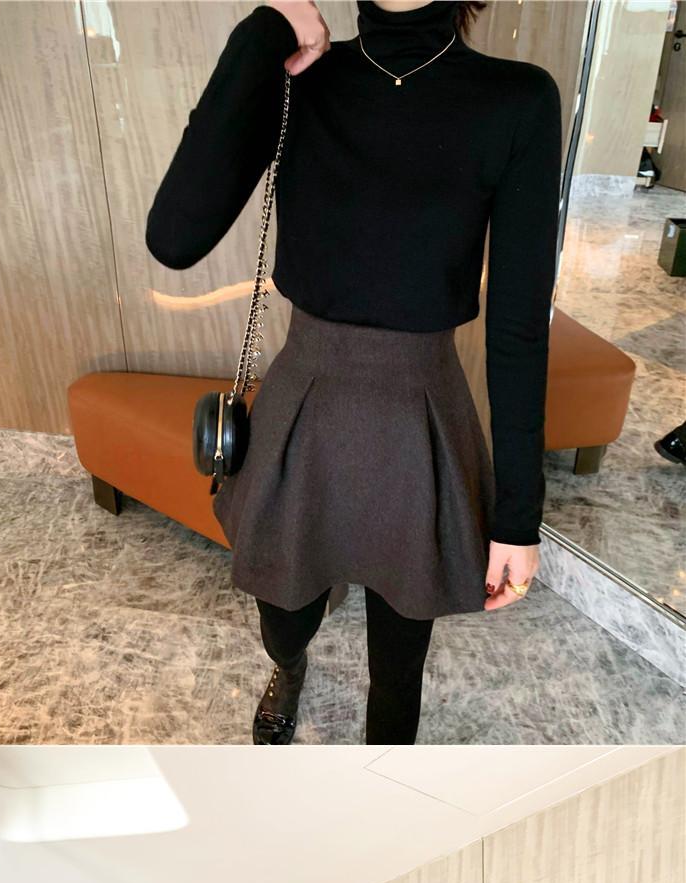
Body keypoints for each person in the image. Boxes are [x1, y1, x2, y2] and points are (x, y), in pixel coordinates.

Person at [146, 0, 562, 747]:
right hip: (304, 399)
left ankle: (384, 784)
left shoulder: (518, 99)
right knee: (284, 616)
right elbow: (174, 236)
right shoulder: (297, 76)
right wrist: (270, 24)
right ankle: (289, 666)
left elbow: (520, 327)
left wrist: (517, 517)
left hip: (420, 412)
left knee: (399, 664)